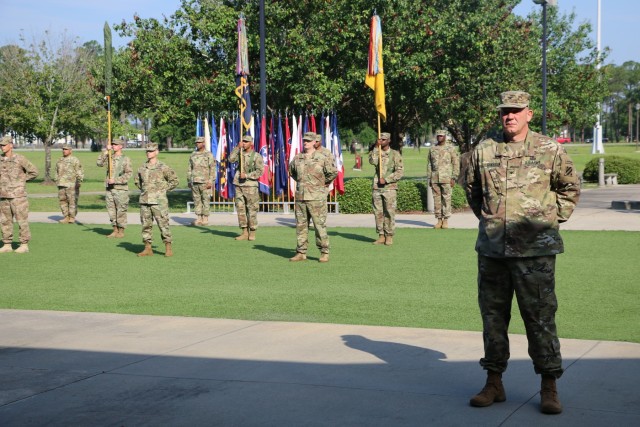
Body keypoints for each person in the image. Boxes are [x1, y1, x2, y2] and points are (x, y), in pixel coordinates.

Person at [464, 91, 580, 415]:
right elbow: (472, 191)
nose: (510, 116)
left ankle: (549, 385)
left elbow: (570, 187)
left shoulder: (549, 149)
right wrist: (491, 220)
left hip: (535, 254)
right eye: (505, 111)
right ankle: (493, 382)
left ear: (529, 113)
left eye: (516, 110)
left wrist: (549, 220)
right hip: (493, 252)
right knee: (492, 319)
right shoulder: (484, 150)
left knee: (540, 319)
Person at [288, 131, 337, 262]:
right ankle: (301, 252)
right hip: (301, 197)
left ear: (315, 142)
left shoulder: (322, 158)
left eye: (308, 141)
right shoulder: (298, 158)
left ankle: (324, 251)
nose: (305, 143)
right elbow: (292, 172)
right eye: (304, 140)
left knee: (319, 225)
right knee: (301, 226)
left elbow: (332, 173)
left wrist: (321, 184)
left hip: (316, 198)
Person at [134, 143, 179, 257]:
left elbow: (174, 181)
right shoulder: (142, 168)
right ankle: (148, 248)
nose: (149, 153)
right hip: (145, 201)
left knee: (163, 225)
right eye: (147, 151)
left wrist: (162, 191)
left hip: (159, 202)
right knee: (146, 225)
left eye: (151, 151)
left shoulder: (163, 167)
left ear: (156, 152)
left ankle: (168, 248)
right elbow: (137, 182)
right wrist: (146, 191)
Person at [0, 135, 38, 254]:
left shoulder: (20, 159)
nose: (2, 147)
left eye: (4, 145)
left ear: (11, 145)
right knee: (5, 221)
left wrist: (22, 181)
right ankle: (7, 244)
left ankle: (24, 244)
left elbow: (34, 172)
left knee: (22, 220)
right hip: (3, 195)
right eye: (1, 145)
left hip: (18, 196)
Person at [368, 132, 404, 246]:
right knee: (378, 212)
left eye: (383, 140)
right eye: (380, 139)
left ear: (388, 141)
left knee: (389, 212)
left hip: (390, 188)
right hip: (377, 186)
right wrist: (375, 147)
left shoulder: (395, 154)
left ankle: (389, 235)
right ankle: (381, 235)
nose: (381, 141)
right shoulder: (376, 152)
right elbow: (372, 161)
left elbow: (400, 171)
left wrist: (387, 179)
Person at [228, 135, 264, 241]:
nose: (244, 143)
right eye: (242, 141)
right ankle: (244, 231)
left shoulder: (256, 156)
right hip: (239, 184)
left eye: (246, 142)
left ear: (251, 143)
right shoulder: (240, 154)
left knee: (252, 209)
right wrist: (237, 148)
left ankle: (252, 231)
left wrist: (247, 175)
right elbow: (231, 159)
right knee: (240, 208)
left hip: (250, 186)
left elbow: (260, 171)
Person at [97, 139, 133, 238]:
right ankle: (115, 229)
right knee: (111, 211)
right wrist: (105, 151)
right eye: (112, 144)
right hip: (109, 188)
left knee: (121, 210)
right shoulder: (109, 157)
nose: (113, 146)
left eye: (116, 144)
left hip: (120, 189)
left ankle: (121, 231)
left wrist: (116, 180)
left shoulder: (125, 159)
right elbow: (99, 163)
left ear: (121, 146)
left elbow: (129, 173)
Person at [427, 130, 459, 229]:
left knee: (446, 199)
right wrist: (429, 177)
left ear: (445, 137)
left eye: (441, 136)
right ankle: (439, 220)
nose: (439, 137)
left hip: (447, 178)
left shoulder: (451, 149)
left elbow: (456, 163)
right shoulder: (432, 149)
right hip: (435, 178)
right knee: (436, 199)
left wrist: (454, 177)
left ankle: (445, 220)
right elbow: (429, 164)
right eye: (438, 136)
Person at [188, 136, 216, 226]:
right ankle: (199, 218)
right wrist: (189, 180)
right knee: (197, 200)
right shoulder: (193, 155)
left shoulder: (208, 155)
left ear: (204, 143)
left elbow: (212, 168)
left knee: (205, 200)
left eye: (199, 142)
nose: (197, 144)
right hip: (195, 181)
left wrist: (210, 181)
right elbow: (189, 168)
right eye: (196, 142)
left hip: (205, 182)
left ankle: (205, 218)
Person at [55, 143, 84, 224]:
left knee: (72, 201)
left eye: (66, 149)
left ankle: (72, 217)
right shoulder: (60, 160)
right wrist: (56, 180)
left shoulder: (75, 160)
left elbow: (80, 171)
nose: (64, 151)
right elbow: (56, 171)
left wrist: (79, 181)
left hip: (72, 184)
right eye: (63, 149)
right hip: (61, 184)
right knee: (62, 201)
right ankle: (66, 216)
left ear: (70, 151)